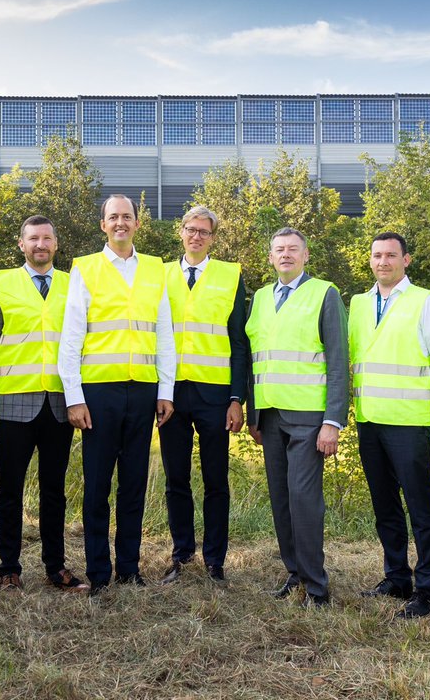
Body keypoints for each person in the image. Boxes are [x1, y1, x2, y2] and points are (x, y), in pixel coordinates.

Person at [58, 194, 176, 594]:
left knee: (134, 483)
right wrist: (73, 396)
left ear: (138, 224)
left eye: (127, 216)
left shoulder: (156, 270)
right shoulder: (85, 269)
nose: (121, 222)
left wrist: (166, 390)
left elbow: (164, 335)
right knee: (97, 486)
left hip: (142, 392)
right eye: (114, 217)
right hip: (98, 394)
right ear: (103, 225)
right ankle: (99, 573)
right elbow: (71, 338)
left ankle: (129, 568)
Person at [348, 231, 430, 619]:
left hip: (410, 422)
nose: (383, 262)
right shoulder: (358, 303)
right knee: (385, 506)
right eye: (377, 255)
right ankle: (396, 577)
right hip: (370, 420)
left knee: (421, 506)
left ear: (406, 260)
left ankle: (427, 589)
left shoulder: (426, 302)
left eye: (391, 255)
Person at [0, 216, 88, 592]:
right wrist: (3, 389)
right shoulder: (2, 283)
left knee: (54, 491)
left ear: (56, 245)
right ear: (21, 244)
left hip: (59, 404)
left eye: (47, 238)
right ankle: (8, 568)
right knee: (10, 489)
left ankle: (55, 566)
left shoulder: (73, 284)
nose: (40, 244)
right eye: (33, 239)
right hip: (15, 405)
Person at [245, 227, 348, 608]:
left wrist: (332, 421)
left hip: (309, 416)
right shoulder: (259, 298)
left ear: (306, 256)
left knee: (305, 499)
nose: (285, 255)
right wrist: (254, 412)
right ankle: (295, 573)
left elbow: (338, 361)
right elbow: (256, 356)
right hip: (270, 415)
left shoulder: (325, 293)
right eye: (278, 250)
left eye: (293, 249)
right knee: (281, 499)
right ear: (270, 257)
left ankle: (316, 587)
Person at [159, 206, 248, 585]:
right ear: (180, 232)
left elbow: (239, 342)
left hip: (215, 394)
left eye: (204, 232)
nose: (196, 237)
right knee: (175, 477)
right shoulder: (159, 274)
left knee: (216, 480)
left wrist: (236, 398)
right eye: (191, 230)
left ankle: (215, 559)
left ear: (213, 238)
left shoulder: (230, 275)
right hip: (171, 393)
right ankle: (181, 554)